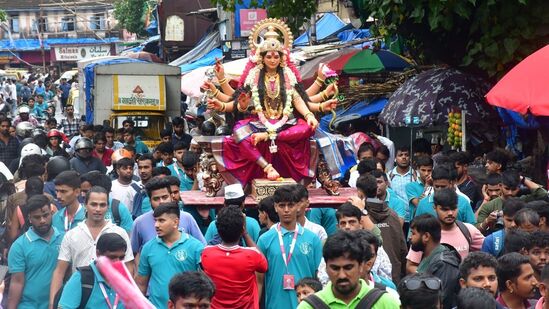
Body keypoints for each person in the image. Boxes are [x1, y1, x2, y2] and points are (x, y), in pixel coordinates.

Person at [205, 20, 337, 185]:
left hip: (285, 123)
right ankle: (267, 167)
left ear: (282, 57)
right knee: (239, 132)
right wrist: (229, 105)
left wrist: (309, 115)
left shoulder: (288, 74)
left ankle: (269, 136)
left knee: (306, 126)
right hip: (260, 121)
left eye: (276, 56)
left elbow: (297, 99)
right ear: (262, 57)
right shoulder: (254, 74)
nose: (273, 60)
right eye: (269, 56)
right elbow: (239, 102)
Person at [49, 186, 134, 308]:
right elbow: (59, 271)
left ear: (108, 207)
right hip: (82, 293)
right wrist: (52, 303)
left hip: (113, 295)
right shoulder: (72, 235)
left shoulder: (120, 232)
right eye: (94, 204)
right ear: (85, 205)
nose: (98, 209)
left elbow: (128, 267)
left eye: (102, 205)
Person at [257, 185, 322, 309]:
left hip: (307, 306)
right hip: (275, 305)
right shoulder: (264, 240)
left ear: (297, 206)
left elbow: (318, 277)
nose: (286, 210)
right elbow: (259, 280)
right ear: (275, 207)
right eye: (282, 205)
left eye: (290, 205)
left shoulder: (313, 239)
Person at [297, 230, 400, 309]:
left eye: (348, 267)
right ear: (326, 268)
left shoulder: (386, 303)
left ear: (361, 266)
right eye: (335, 268)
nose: (342, 275)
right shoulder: (308, 306)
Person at [136, 203, 205, 308]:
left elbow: (204, 282)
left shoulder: (195, 247)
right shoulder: (148, 248)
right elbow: (141, 284)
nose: (156, 225)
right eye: (155, 221)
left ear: (175, 222)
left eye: (161, 221)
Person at [201, 205, 268, 309]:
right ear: (242, 229)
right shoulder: (252, 255)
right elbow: (264, 264)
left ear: (218, 230)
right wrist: (245, 233)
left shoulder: (206, 253)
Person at [407, 188, 484, 273]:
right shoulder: (426, 234)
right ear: (435, 208)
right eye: (445, 209)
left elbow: (489, 249)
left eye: (453, 208)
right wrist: (430, 280)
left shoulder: (468, 230)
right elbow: (410, 266)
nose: (450, 213)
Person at [7, 195, 63, 309]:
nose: (42, 221)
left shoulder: (65, 239)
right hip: (29, 306)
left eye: (45, 215)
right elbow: (16, 282)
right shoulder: (19, 246)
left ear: (51, 213)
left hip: (60, 304)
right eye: (37, 217)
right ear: (29, 218)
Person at [130, 177, 205, 257]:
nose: (161, 202)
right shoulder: (139, 223)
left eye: (165, 197)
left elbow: (202, 248)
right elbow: (134, 253)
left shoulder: (187, 218)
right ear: (150, 201)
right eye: (156, 199)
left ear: (171, 197)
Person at [357, 174, 407, 283]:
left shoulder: (360, 218)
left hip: (369, 279)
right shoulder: (393, 214)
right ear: (376, 190)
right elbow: (403, 248)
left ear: (359, 193)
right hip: (394, 275)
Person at [57, 233, 130, 309]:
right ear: (98, 254)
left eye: (121, 258)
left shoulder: (124, 280)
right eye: (112, 257)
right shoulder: (81, 279)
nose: (117, 262)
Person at [409, 214, 461, 308]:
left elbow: (442, 299)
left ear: (426, 236)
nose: (410, 237)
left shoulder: (444, 263)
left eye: (413, 233)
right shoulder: (429, 257)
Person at [477, 169, 547, 230]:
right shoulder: (489, 206)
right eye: (507, 189)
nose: (510, 193)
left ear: (519, 188)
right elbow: (476, 229)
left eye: (514, 189)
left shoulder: (524, 200)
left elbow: (543, 194)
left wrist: (522, 179)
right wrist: (487, 221)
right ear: (500, 186)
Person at [406, 155, 433, 227]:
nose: (426, 173)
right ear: (418, 169)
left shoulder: (436, 185)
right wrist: (427, 186)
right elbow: (419, 205)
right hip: (416, 225)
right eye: (423, 170)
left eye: (429, 170)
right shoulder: (410, 186)